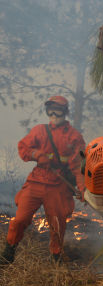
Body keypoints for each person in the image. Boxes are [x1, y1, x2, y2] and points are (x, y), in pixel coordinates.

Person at [0, 96, 86, 264]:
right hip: (36, 182)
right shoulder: (40, 130)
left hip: (58, 186)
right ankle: (8, 253)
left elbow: (79, 167)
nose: (54, 114)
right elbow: (23, 147)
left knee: (57, 225)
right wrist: (37, 155)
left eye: (58, 110)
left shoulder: (75, 137)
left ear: (65, 112)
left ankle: (56, 257)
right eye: (50, 110)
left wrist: (82, 188)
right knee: (20, 219)